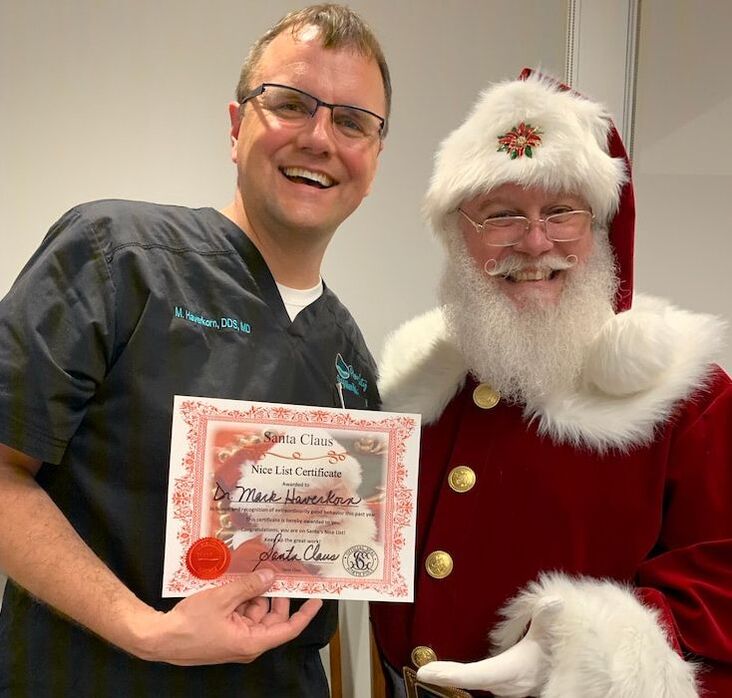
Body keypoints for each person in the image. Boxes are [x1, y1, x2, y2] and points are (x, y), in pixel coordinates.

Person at [0, 4, 389, 696]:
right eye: (291, 105)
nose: (321, 138)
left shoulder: (352, 358)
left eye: (352, 121)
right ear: (237, 127)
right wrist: (147, 631)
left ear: (375, 158)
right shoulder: (114, 257)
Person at [370, 70, 732, 697]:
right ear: (461, 234)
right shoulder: (415, 379)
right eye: (501, 214)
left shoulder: (690, 394)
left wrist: (583, 655)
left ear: (602, 228)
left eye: (561, 211)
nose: (535, 243)